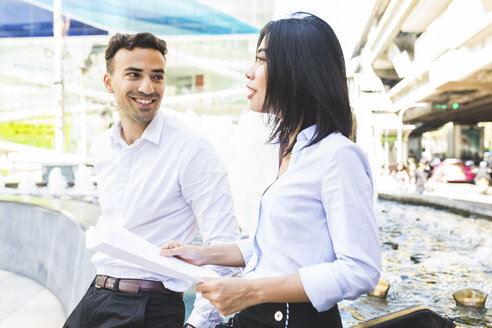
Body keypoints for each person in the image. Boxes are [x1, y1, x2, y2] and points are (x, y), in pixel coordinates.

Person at [161, 13, 381, 328]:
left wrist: (249, 290)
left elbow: (360, 270)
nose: (249, 72)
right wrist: (202, 254)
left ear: (296, 71)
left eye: (262, 61)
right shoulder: (289, 151)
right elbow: (276, 245)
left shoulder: (338, 155)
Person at [64, 32, 240, 328]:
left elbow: (224, 248)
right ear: (109, 82)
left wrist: (198, 323)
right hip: (96, 294)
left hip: (149, 308)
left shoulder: (192, 150)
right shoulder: (102, 146)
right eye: (134, 75)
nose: (148, 87)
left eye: (157, 77)